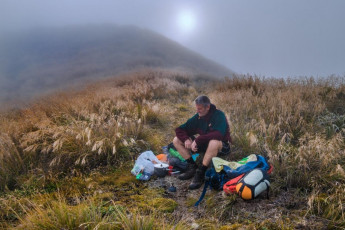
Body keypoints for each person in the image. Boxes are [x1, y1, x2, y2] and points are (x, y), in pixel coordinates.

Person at [173, 95, 232, 190]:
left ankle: (201, 172)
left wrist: (198, 140)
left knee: (213, 142)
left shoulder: (219, 115)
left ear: (207, 107)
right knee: (176, 140)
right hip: (205, 144)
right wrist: (186, 139)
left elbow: (218, 134)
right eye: (196, 108)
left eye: (199, 109)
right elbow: (180, 129)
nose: (197, 111)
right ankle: (192, 166)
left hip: (221, 146)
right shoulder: (198, 117)